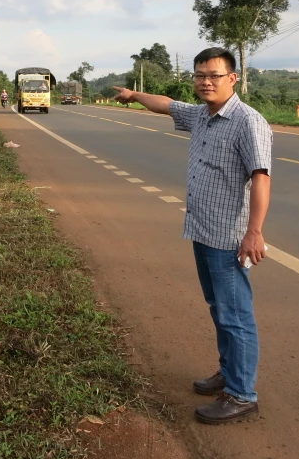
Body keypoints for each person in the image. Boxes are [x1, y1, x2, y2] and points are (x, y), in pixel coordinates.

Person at [112, 46, 272, 424]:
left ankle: (242, 394)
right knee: (219, 309)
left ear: (232, 79)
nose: (206, 82)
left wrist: (255, 232)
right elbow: (166, 104)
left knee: (236, 316)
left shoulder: (248, 122)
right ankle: (228, 373)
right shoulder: (201, 115)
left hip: (229, 237)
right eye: (200, 75)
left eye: (214, 75)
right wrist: (135, 96)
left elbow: (261, 177)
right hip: (202, 228)